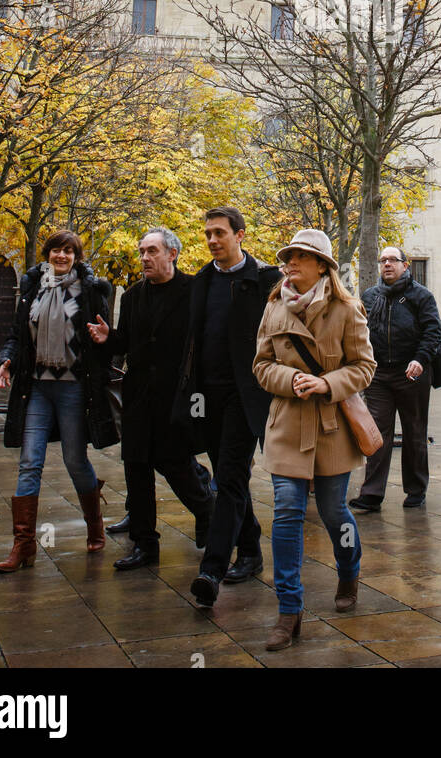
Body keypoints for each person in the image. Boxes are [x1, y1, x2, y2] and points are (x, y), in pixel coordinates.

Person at [253, 229, 375, 651]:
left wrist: (326, 384)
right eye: (288, 256)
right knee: (286, 512)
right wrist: (291, 379)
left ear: (322, 265)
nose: (290, 262)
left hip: (331, 428)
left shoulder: (346, 308)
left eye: (301, 257)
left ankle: (348, 567)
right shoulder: (273, 307)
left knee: (333, 511)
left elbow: (364, 367)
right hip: (287, 425)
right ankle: (289, 609)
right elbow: (262, 365)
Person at [87, 227, 215, 571]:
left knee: (175, 464)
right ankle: (145, 545)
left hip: (179, 396)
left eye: (152, 251)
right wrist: (107, 338)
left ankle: (207, 512)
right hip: (139, 396)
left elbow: (203, 342)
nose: (145, 257)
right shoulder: (132, 296)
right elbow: (126, 342)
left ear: (172, 254)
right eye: (142, 251)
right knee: (137, 468)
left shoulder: (194, 291)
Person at [0, 230, 117, 572]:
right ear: (47, 254)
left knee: (74, 460)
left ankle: (94, 524)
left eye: (68, 251)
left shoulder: (91, 291)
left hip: (73, 388)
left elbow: (104, 339)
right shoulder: (34, 288)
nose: (61, 256)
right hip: (36, 388)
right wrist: (7, 360)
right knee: (29, 462)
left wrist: (102, 341)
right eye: (56, 251)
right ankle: (23, 545)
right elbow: (17, 336)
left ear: (77, 256)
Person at [177, 206, 280, 607]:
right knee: (227, 474)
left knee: (229, 479)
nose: (212, 240)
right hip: (208, 395)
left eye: (219, 232)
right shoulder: (201, 281)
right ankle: (251, 551)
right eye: (207, 234)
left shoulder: (265, 279)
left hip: (247, 394)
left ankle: (212, 569)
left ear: (240, 234)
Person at [349, 246, 441, 512]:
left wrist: (420, 359)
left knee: (414, 432)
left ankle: (415, 489)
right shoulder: (370, 296)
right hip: (379, 375)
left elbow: (433, 332)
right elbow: (360, 332)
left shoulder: (421, 296)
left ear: (405, 265)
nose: (387, 264)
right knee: (377, 432)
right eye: (383, 260)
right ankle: (372, 493)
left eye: (393, 260)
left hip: (412, 373)